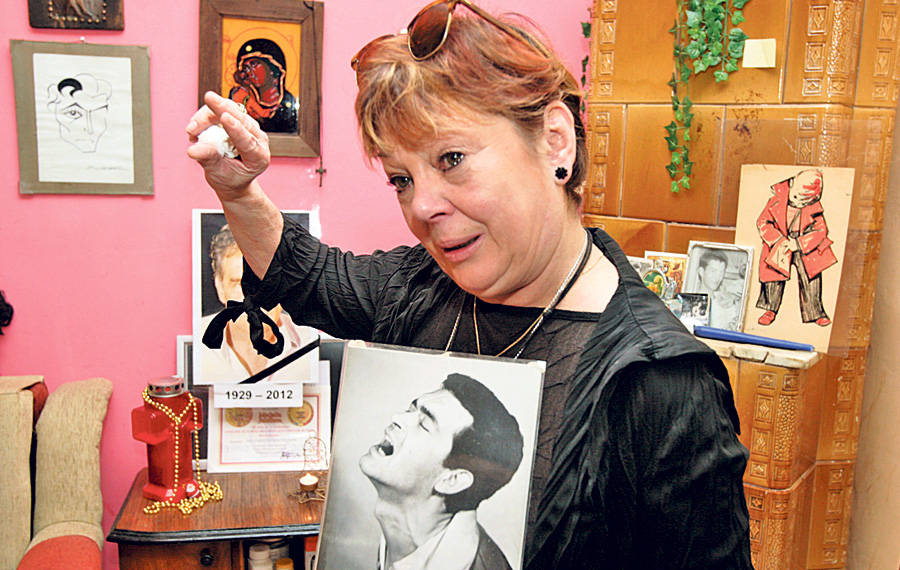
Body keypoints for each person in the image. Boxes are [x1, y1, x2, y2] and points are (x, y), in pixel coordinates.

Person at [187, 1, 751, 566]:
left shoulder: (660, 383)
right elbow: (310, 277)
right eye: (402, 179)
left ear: (555, 141)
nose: (422, 207)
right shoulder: (420, 287)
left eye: (452, 158)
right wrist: (238, 191)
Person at [360, 373, 522, 569]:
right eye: (411, 409)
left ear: (452, 480)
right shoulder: (405, 535)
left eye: (424, 424)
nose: (397, 417)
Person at [200, 223, 317, 382]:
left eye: (265, 282)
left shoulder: (311, 343)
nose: (253, 297)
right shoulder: (198, 344)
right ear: (220, 287)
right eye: (238, 284)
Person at [756, 168, 836, 327]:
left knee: (811, 275)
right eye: (796, 197)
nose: (799, 203)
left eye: (804, 202)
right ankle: (770, 309)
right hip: (780, 240)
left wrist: (799, 243)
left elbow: (821, 230)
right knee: (773, 273)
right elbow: (762, 222)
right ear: (791, 184)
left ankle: (815, 312)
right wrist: (777, 240)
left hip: (804, 243)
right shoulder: (776, 200)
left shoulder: (814, 208)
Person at [228, 38, 298, 133]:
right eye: (246, 68)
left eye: (254, 64)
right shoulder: (242, 99)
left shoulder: (288, 106)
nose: (249, 72)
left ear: (273, 68)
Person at [693, 249, 742, 330]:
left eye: (721, 272)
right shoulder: (691, 301)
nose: (718, 277)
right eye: (713, 271)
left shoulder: (726, 301)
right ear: (701, 271)